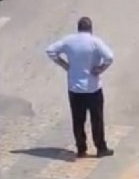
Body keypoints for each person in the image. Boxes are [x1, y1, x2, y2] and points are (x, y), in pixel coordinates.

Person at [46, 17, 115, 159]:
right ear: (90, 28)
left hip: (75, 88)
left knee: (78, 120)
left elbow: (50, 51)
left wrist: (64, 65)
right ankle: (101, 148)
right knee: (97, 119)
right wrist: (100, 69)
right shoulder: (95, 42)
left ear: (78, 28)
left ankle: (81, 148)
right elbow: (109, 56)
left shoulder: (69, 40)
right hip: (93, 88)